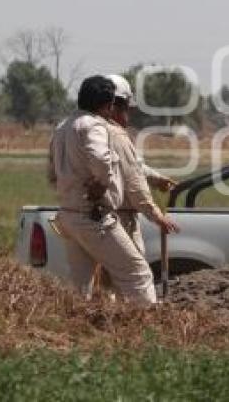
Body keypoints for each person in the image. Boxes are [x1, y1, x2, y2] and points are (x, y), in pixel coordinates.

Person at [48, 76, 157, 304]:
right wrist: (103, 181)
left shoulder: (63, 126)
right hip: (94, 215)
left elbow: (52, 172)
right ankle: (147, 331)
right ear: (107, 105)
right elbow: (99, 157)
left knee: (79, 286)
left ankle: (75, 330)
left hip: (69, 214)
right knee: (138, 274)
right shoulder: (94, 124)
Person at [103, 74, 178, 256]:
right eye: (126, 108)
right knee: (136, 279)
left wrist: (156, 179)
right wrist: (157, 216)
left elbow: (133, 166)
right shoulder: (115, 135)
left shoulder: (89, 132)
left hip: (101, 219)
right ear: (113, 107)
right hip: (120, 219)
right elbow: (134, 180)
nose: (127, 115)